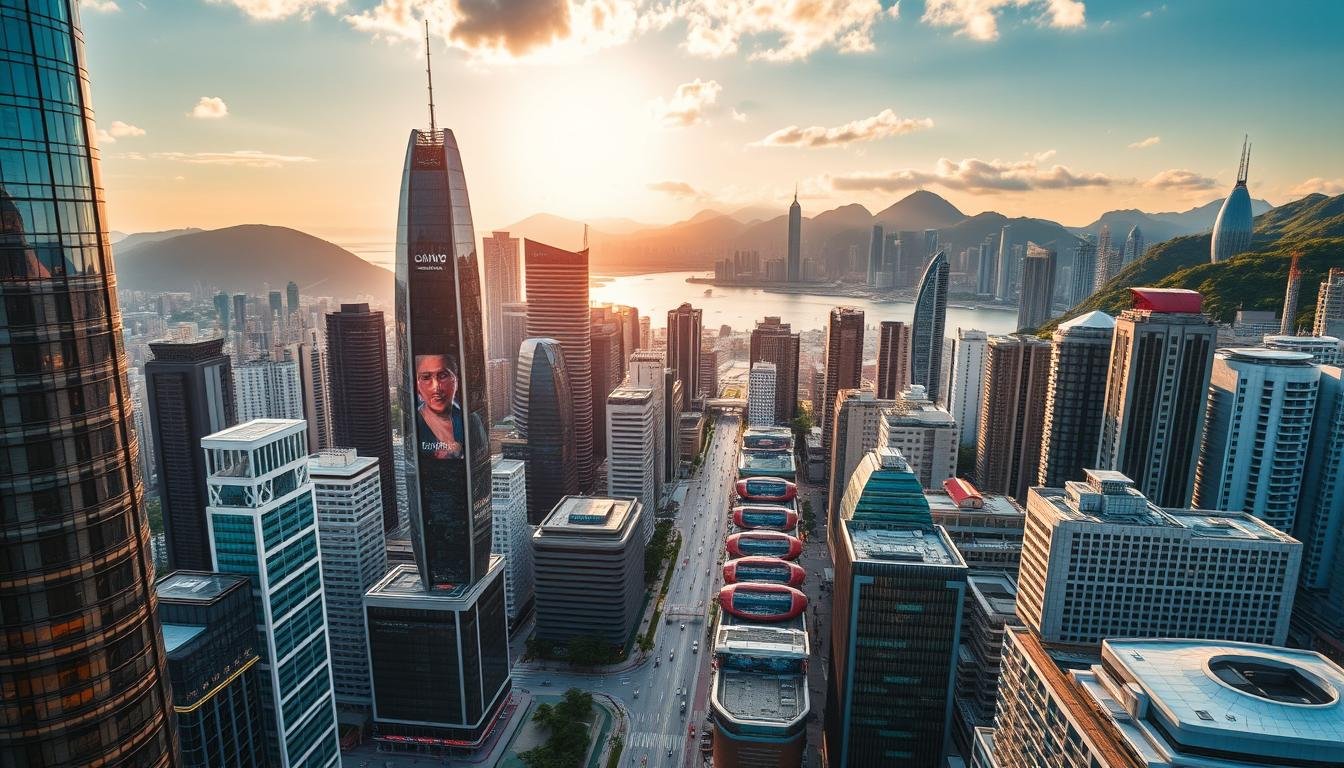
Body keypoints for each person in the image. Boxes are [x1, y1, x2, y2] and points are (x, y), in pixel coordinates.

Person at [415, 353, 466, 460]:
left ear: (456, 381)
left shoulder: (472, 421)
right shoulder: (414, 424)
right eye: (426, 377)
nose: (436, 388)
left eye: (443, 376)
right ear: (417, 386)